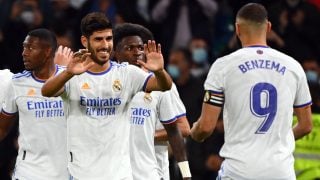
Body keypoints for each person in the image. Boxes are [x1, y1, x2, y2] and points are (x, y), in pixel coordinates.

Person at [41, 12, 173, 179]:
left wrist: (159, 71)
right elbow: (46, 91)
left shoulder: (127, 73)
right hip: (81, 174)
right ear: (84, 41)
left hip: (120, 174)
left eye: (108, 39)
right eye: (98, 39)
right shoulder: (72, 74)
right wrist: (68, 73)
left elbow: (164, 85)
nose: (105, 45)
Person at [190, 3, 313, 179]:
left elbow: (206, 127)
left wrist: (194, 133)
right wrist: (276, 141)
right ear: (269, 27)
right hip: (280, 172)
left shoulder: (223, 66)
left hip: (238, 172)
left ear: (238, 29)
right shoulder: (293, 66)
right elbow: (306, 125)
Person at [113, 23, 191, 180]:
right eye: (129, 48)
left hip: (152, 170)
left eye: (140, 48)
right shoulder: (107, 82)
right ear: (115, 53)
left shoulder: (161, 85)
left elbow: (181, 128)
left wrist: (145, 134)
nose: (137, 53)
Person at [0, 28, 68, 180]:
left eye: (31, 48)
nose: (24, 53)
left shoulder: (71, 79)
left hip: (65, 171)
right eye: (24, 47)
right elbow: (2, 128)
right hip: (28, 171)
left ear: (48, 51)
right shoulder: (16, 83)